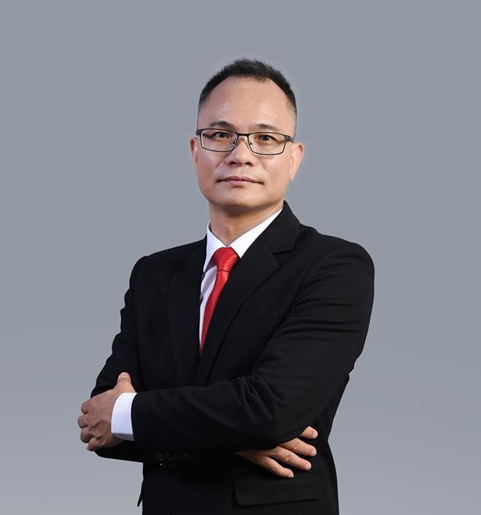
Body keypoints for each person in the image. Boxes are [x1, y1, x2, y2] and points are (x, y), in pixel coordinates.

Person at [78, 58, 375, 515]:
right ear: (195, 151)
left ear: (294, 158)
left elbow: (270, 410)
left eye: (266, 138)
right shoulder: (154, 274)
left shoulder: (334, 266)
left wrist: (132, 414)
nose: (241, 154)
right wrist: (236, 436)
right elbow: (98, 423)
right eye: (220, 135)